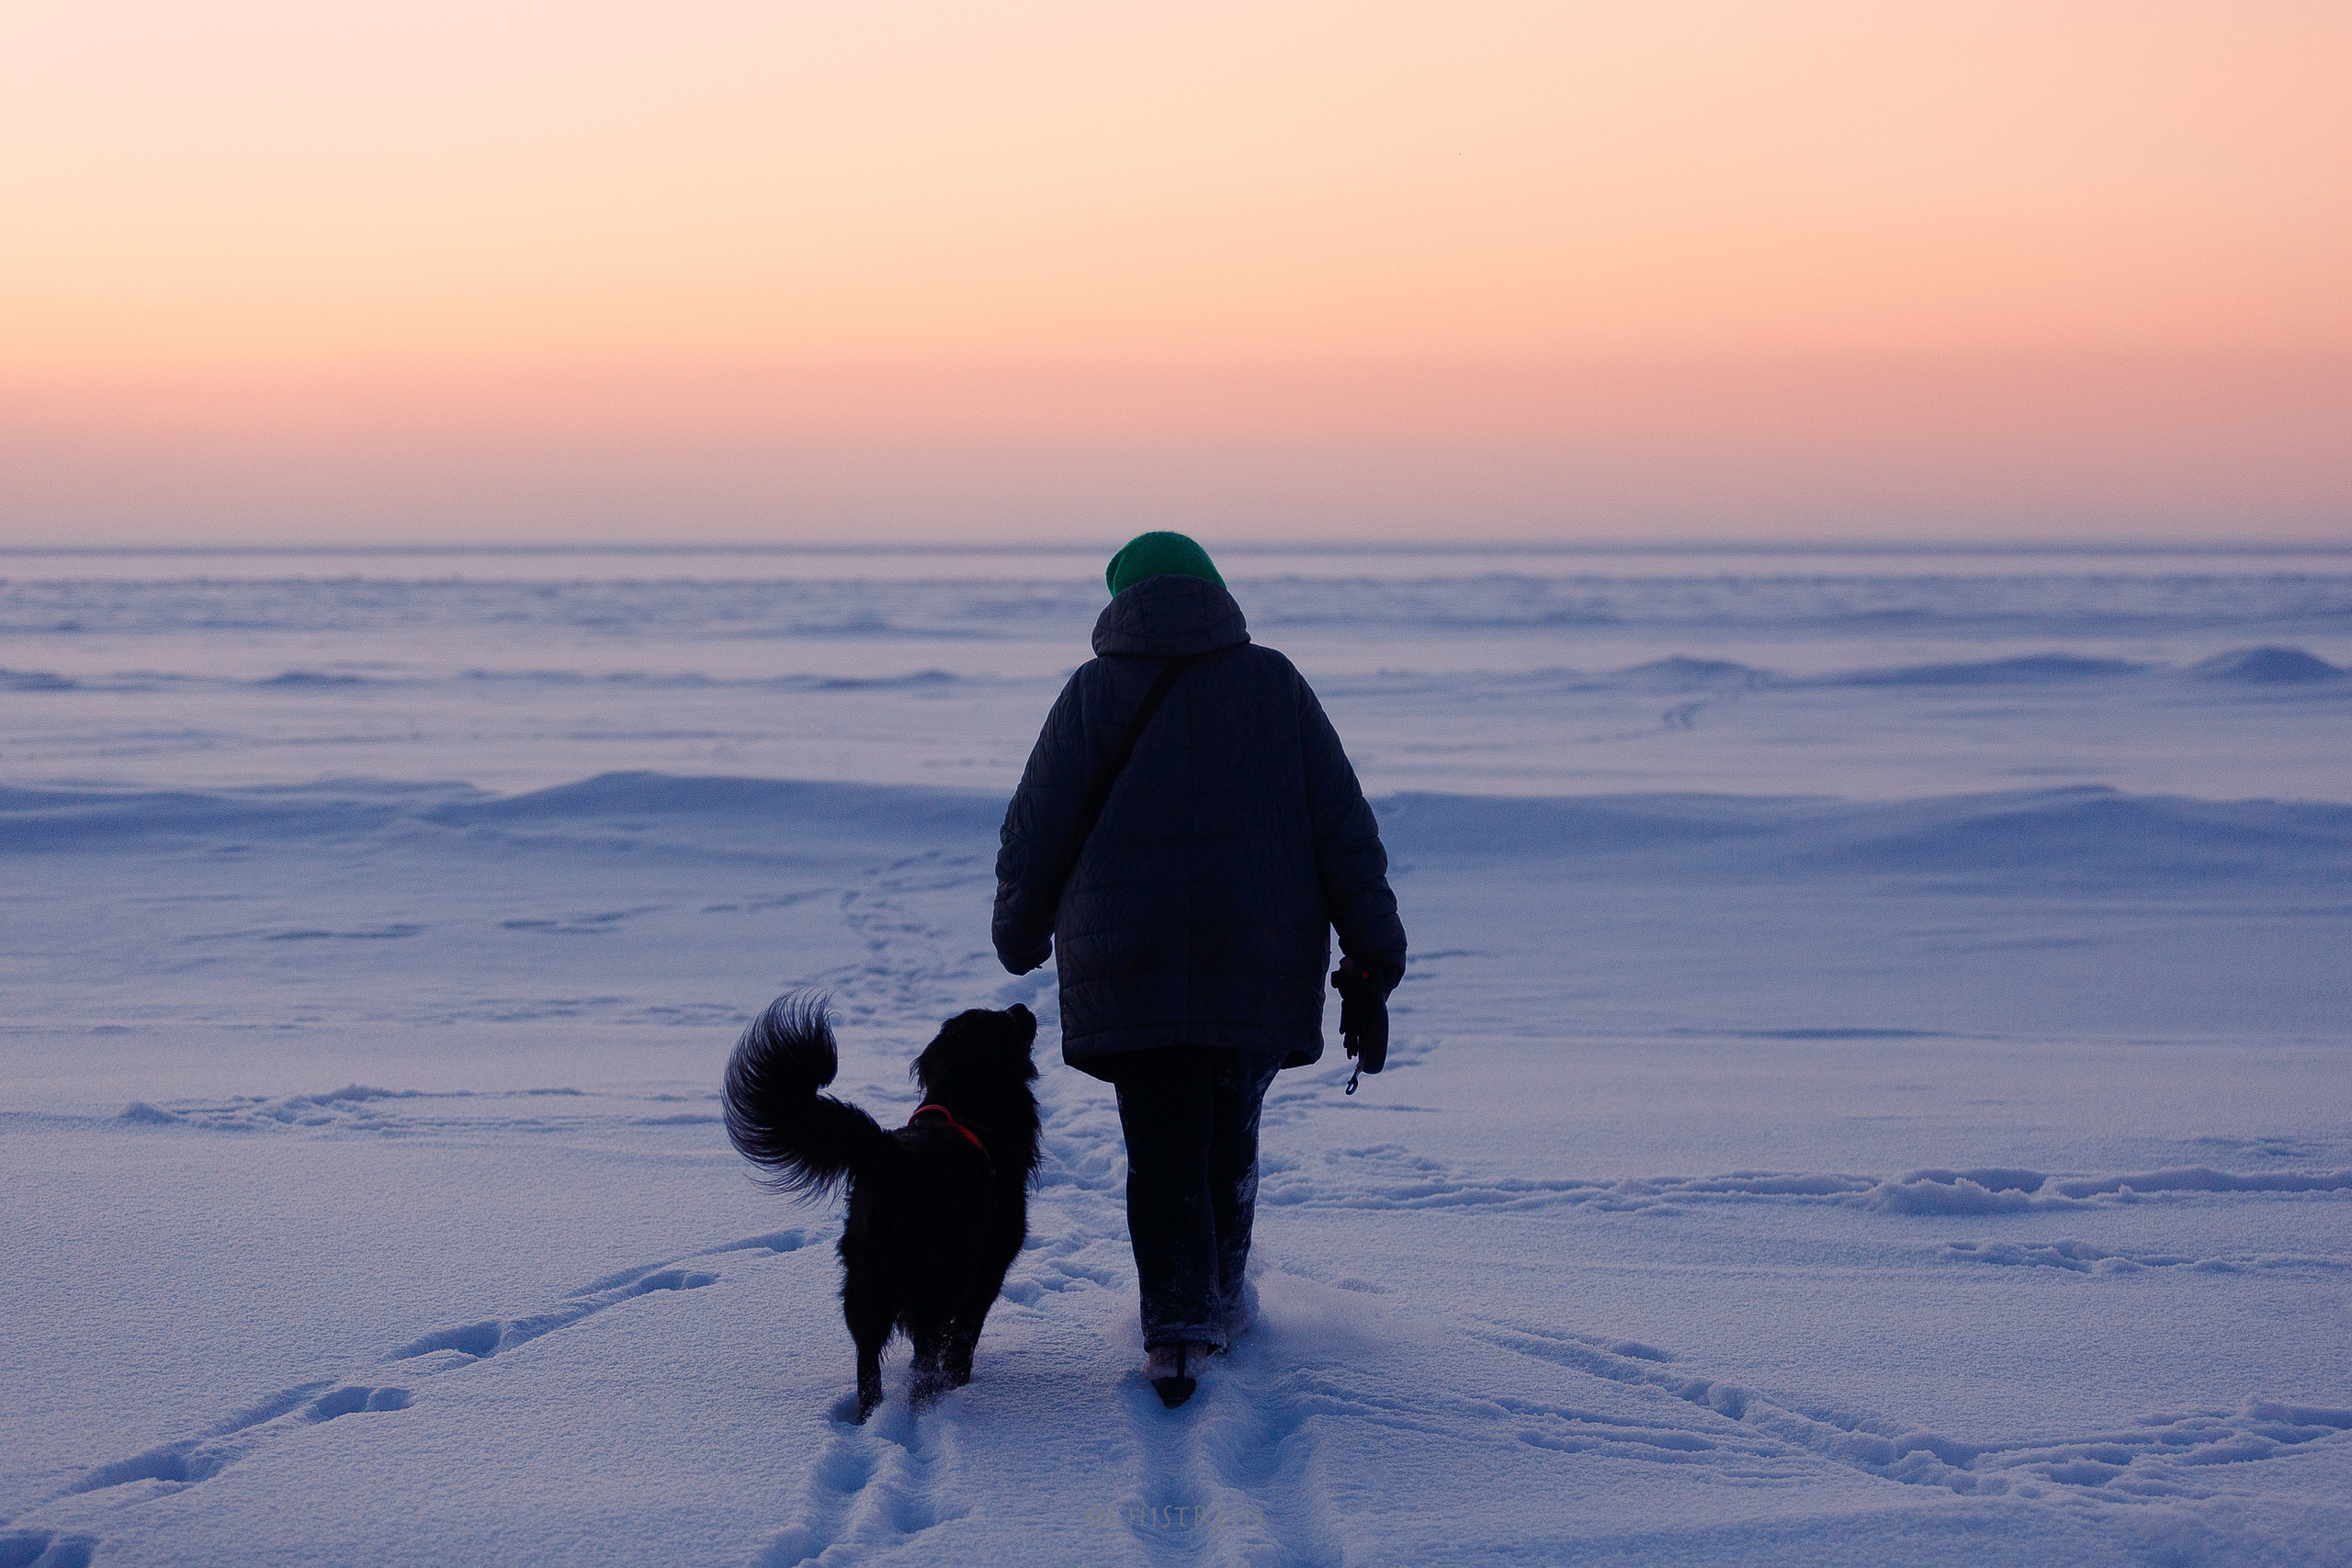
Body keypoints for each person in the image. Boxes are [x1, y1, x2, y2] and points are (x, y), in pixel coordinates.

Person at [992, 531, 1407, 1407]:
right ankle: (1221, 1299)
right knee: (1229, 1136)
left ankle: (1179, 1332)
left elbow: (1037, 833)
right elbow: (1344, 830)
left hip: (1129, 963)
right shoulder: (1275, 685)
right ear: (1213, 590)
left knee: (1163, 1145)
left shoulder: (1092, 693)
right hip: (1255, 954)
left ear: (1119, 600)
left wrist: (1019, 933)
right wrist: (1372, 957)